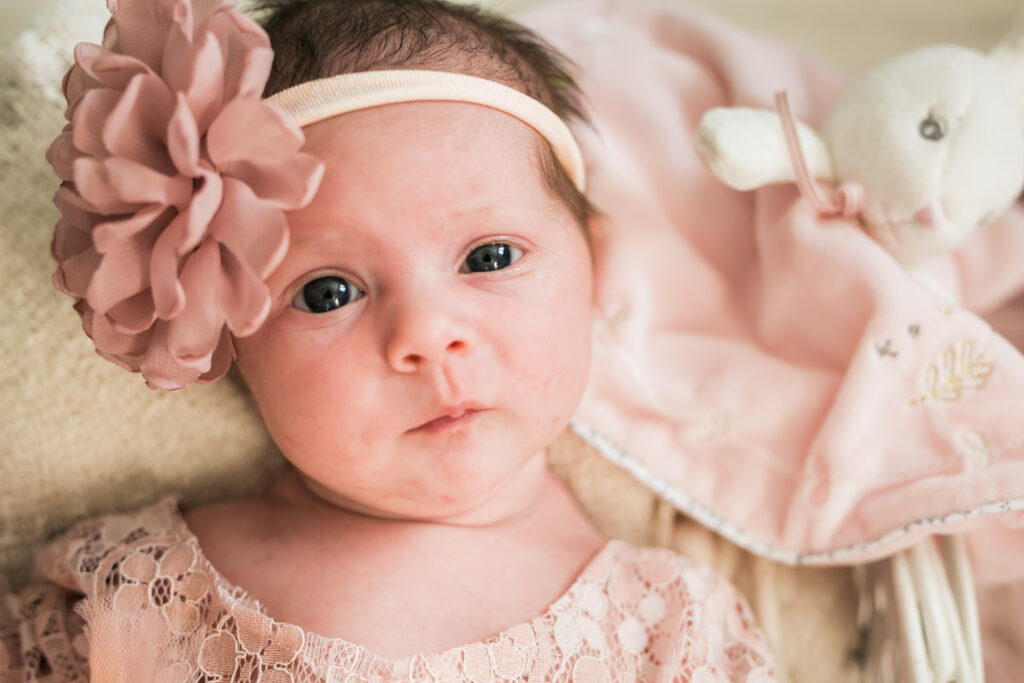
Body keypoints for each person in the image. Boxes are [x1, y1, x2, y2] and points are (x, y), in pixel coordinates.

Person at [0, 0, 776, 680]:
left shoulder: (673, 626)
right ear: (228, 335)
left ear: (595, 267)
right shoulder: (136, 586)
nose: (426, 336)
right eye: (328, 292)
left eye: (489, 257)